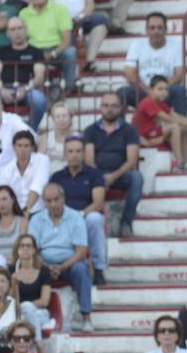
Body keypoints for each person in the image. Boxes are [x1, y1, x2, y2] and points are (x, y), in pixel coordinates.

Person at [29, 183, 93, 332]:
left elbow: (81, 251)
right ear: (44, 202)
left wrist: (61, 267)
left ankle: (86, 317)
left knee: (81, 268)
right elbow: (32, 250)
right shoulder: (37, 219)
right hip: (44, 264)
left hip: (69, 264)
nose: (53, 204)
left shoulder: (76, 217)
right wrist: (46, 266)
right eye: (49, 201)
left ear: (63, 199)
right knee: (28, 267)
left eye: (56, 199)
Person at [83, 91, 143, 238]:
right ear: (100, 107)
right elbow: (89, 160)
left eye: (114, 106)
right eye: (106, 105)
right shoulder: (90, 130)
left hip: (121, 174)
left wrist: (112, 176)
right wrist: (100, 177)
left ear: (120, 108)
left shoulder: (130, 130)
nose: (110, 109)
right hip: (97, 174)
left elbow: (132, 160)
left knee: (137, 178)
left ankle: (126, 223)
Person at [51, 134, 106, 285]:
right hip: (62, 219)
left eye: (78, 151)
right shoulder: (57, 177)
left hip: (84, 217)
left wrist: (79, 215)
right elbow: (52, 202)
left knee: (95, 219)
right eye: (70, 151)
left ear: (83, 153)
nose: (74, 155)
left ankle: (99, 268)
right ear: (65, 154)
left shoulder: (94, 174)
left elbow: (98, 203)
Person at [132, 74, 187, 171]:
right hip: (143, 138)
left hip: (154, 134)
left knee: (184, 128)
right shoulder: (148, 102)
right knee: (174, 127)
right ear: (151, 90)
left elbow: (176, 116)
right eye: (160, 89)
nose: (164, 93)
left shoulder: (160, 103)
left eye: (166, 89)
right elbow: (169, 119)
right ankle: (179, 163)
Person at [119, 11, 186, 114]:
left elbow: (179, 74)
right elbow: (129, 73)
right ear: (146, 30)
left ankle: (183, 128)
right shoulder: (137, 45)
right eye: (152, 28)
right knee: (123, 93)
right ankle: (119, 129)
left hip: (165, 91)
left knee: (178, 90)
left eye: (160, 28)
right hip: (143, 91)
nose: (156, 31)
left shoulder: (175, 46)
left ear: (165, 30)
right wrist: (149, 90)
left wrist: (160, 89)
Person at [19, 0, 77, 92]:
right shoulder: (23, 13)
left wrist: (53, 53)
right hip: (33, 51)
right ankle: (25, 91)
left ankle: (69, 88)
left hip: (56, 50)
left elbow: (66, 40)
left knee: (70, 52)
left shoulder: (60, 9)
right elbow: (22, 40)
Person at [0, 15, 47, 131]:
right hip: (3, 88)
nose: (17, 32)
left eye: (20, 28)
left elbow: (39, 78)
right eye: (13, 29)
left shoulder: (36, 52)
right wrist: (2, 90)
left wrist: (24, 89)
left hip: (27, 88)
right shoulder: (1, 51)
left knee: (40, 101)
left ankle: (31, 130)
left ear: (25, 30)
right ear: (7, 33)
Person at [9, 232, 51, 340]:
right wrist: (14, 284)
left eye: (29, 246)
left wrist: (25, 307)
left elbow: (44, 301)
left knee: (27, 310)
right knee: (23, 316)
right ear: (17, 250)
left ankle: (37, 343)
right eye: (22, 246)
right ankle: (38, 346)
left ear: (34, 250)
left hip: (40, 312)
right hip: (17, 313)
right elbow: (11, 301)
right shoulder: (11, 271)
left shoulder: (44, 271)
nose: (25, 248)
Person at [0, 129, 50, 215]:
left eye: (26, 146)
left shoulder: (42, 160)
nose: (22, 149)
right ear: (14, 147)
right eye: (19, 145)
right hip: (13, 213)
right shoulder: (5, 170)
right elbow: (3, 195)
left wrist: (26, 211)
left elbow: (37, 188)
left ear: (33, 147)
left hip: (39, 212)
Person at [0, 183, 27, 260]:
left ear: (12, 200)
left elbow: (24, 247)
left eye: (4, 199)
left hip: (17, 262)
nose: (1, 203)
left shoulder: (22, 222)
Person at [37, 101, 74, 175]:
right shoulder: (45, 137)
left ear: (70, 118)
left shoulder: (76, 137)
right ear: (53, 120)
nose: (61, 119)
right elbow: (39, 162)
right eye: (58, 116)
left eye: (64, 116)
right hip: (48, 175)